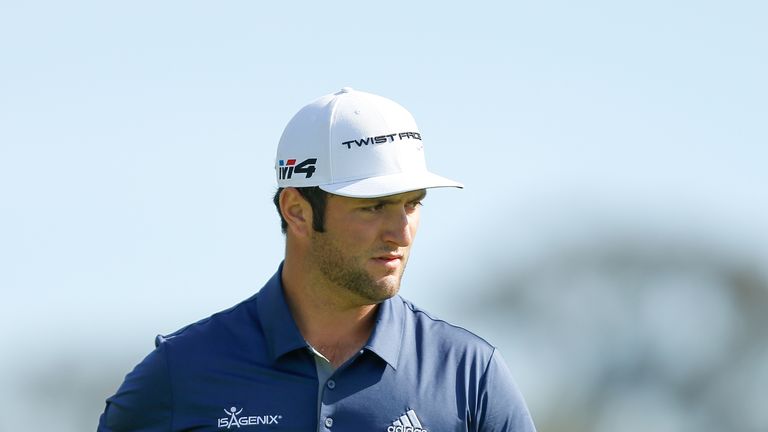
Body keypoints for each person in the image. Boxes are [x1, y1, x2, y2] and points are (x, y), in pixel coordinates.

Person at [98, 87, 536, 432]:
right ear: (297, 211)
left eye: (412, 203)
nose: (401, 231)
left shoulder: (468, 373)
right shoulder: (184, 370)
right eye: (373, 206)